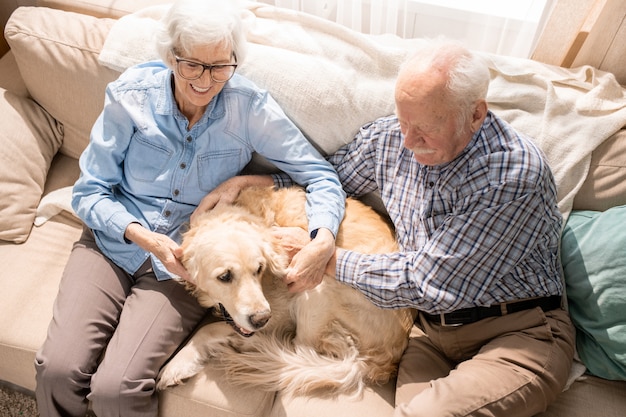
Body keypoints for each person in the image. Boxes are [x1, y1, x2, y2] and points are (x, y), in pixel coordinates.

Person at [34, 1, 344, 416]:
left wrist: (315, 235)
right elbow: (89, 192)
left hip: (184, 267)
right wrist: (142, 236)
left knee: (117, 388)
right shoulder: (131, 97)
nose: (205, 80)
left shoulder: (249, 108)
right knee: (57, 370)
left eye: (219, 66)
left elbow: (321, 177)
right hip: (112, 241)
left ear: (234, 61)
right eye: (191, 64)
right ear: (170, 56)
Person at [275, 38, 576, 416]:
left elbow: (429, 283)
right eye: (403, 121)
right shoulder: (391, 140)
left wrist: (324, 257)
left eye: (425, 128)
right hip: (428, 334)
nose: (407, 140)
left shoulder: (513, 174)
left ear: (476, 114)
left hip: (517, 333)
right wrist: (256, 186)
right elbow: (326, 182)